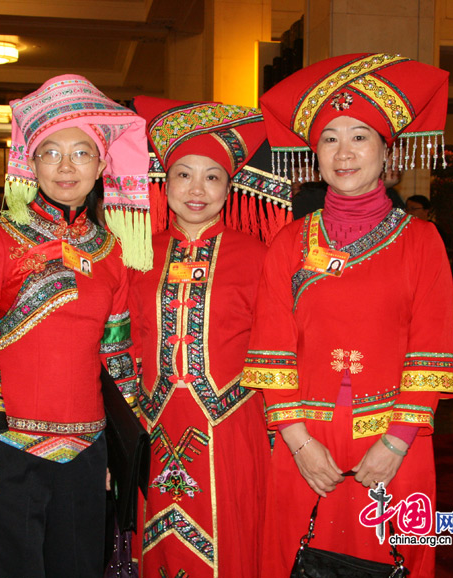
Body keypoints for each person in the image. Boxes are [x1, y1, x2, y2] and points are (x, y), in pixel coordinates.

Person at [242, 53, 453, 577]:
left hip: (397, 446)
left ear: (388, 152)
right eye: (329, 138)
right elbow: (271, 346)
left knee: (399, 562)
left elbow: (432, 348)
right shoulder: (289, 242)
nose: (343, 152)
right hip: (305, 448)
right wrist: (298, 443)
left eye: (359, 136)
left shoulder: (423, 241)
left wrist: (395, 443)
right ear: (313, 153)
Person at [0, 74, 151, 578]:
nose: (67, 167)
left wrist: (121, 449)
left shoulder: (110, 251)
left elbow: (118, 359)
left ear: (102, 163)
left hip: (86, 454)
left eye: (82, 153)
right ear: (30, 160)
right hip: (6, 451)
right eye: (51, 152)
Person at [130, 95, 291, 577]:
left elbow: (279, 346)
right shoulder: (136, 253)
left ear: (230, 186)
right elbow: (119, 342)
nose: (196, 189)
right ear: (166, 181)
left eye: (212, 176)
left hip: (233, 427)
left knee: (234, 542)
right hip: (153, 426)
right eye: (184, 174)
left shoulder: (262, 255)